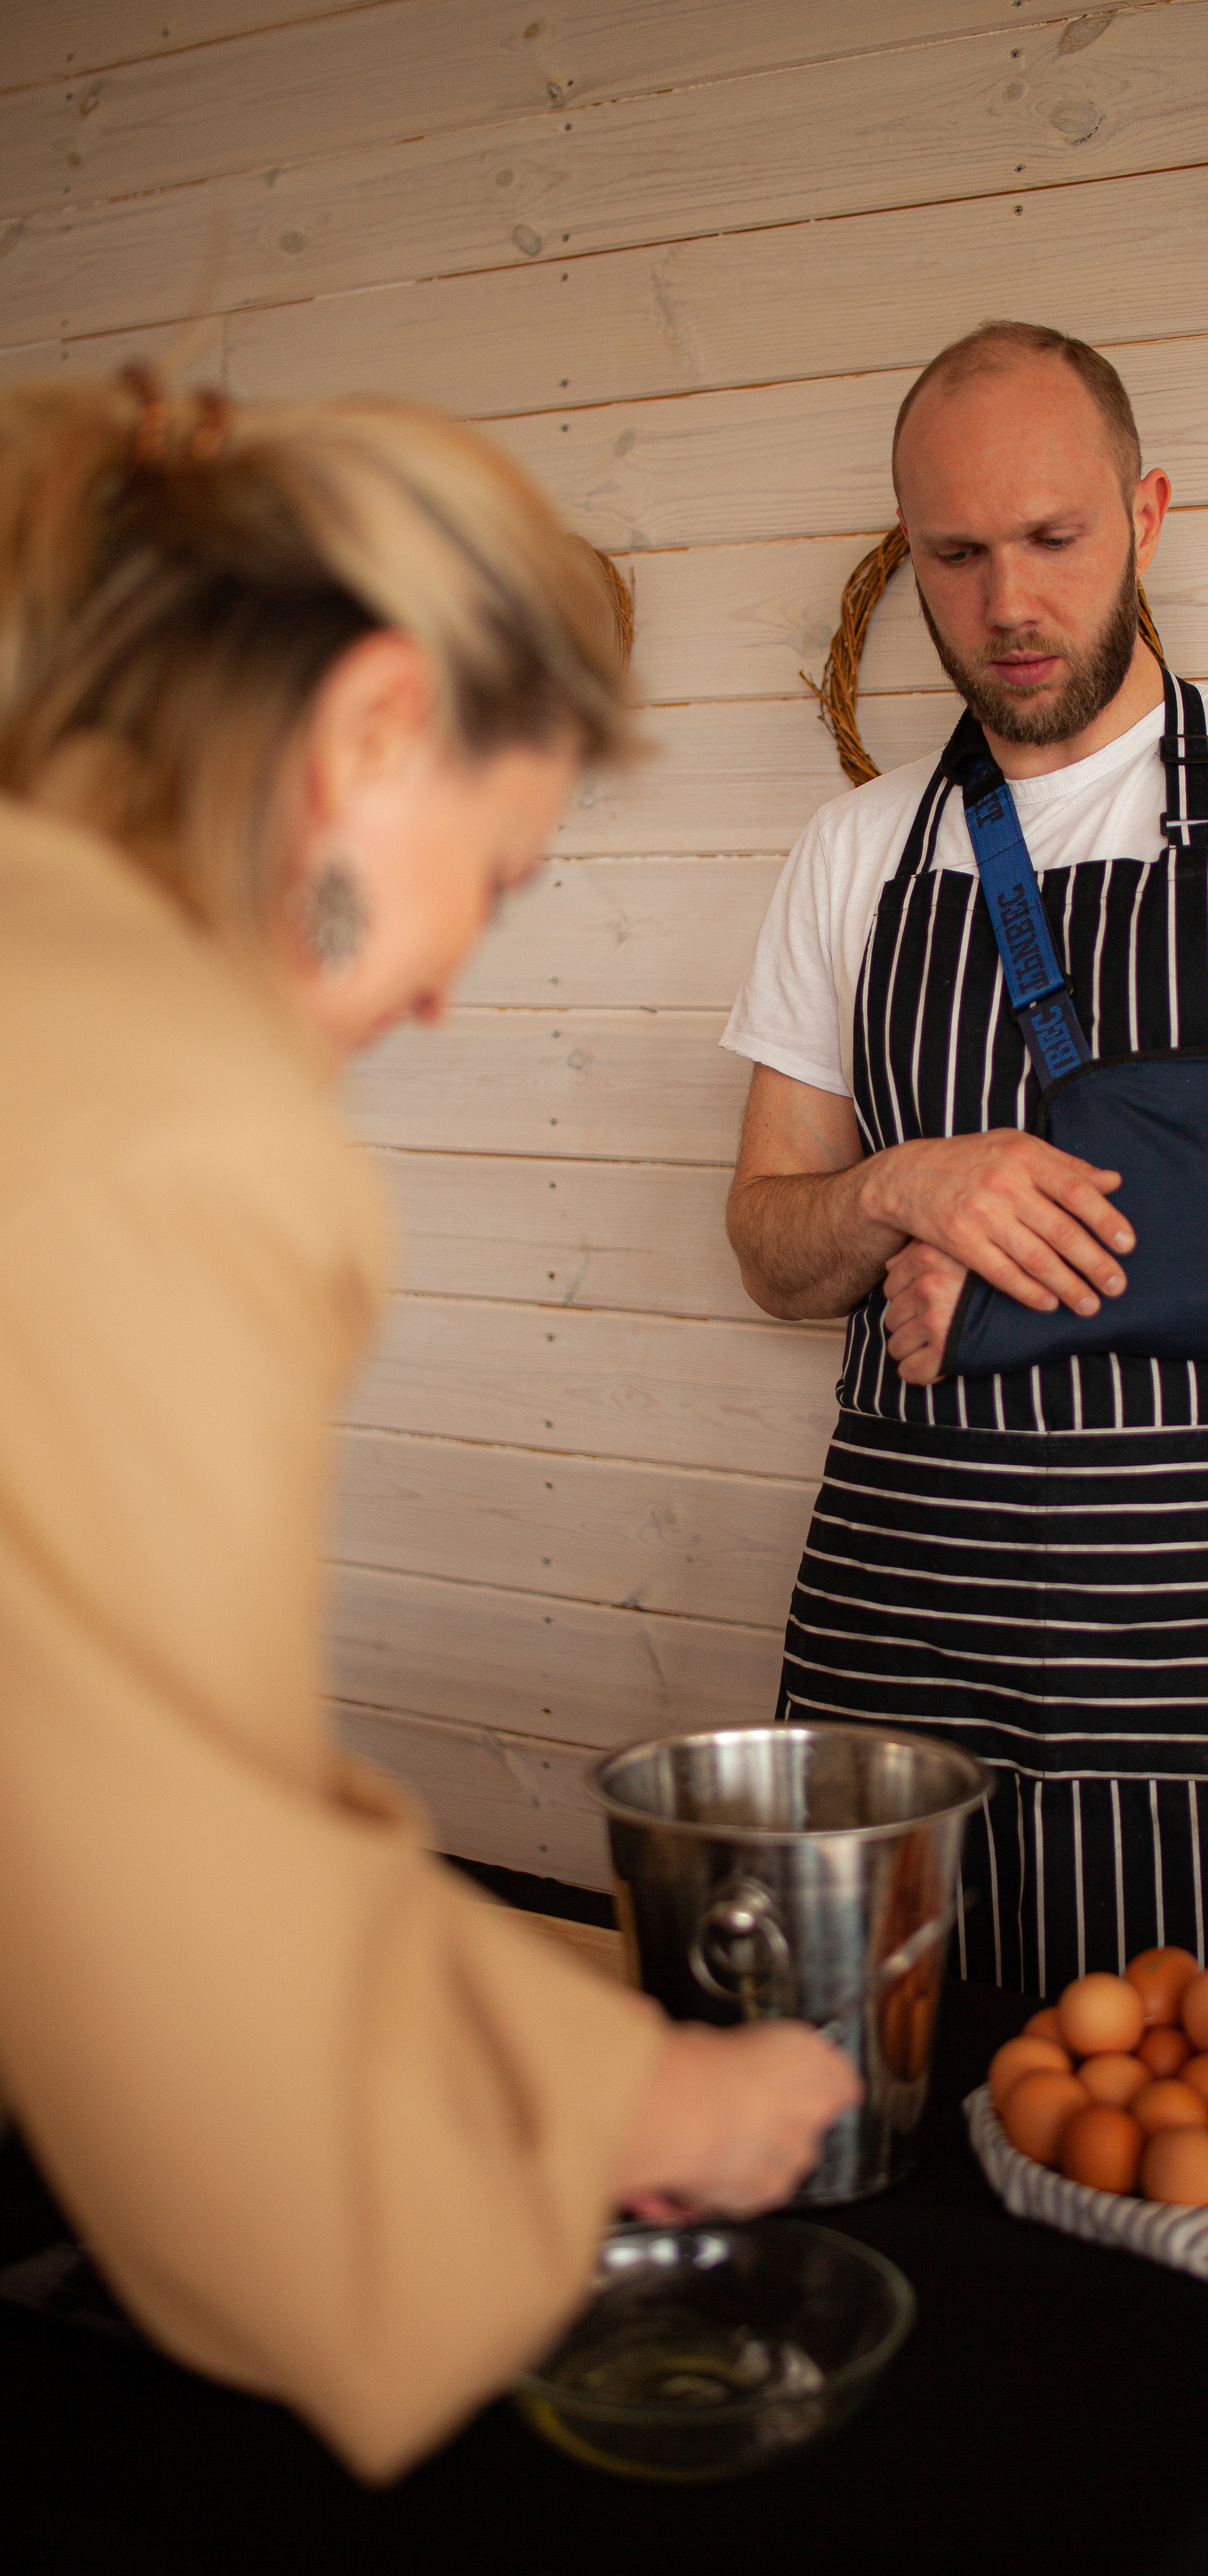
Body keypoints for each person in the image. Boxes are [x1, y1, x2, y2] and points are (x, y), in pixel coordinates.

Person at [0, 370, 856, 2481]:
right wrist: (633, 2100)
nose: (455, 983)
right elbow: (165, 1909)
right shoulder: (172, 1117)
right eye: (503, 869)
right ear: (376, 728)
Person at [723, 321, 1208, 2008]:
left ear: (1144, 513)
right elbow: (768, 1248)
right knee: (871, 2108)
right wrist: (905, 1187)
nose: (1006, 603)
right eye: (954, 555)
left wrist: (1001, 1283)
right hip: (902, 1625)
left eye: (1052, 538)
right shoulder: (851, 853)